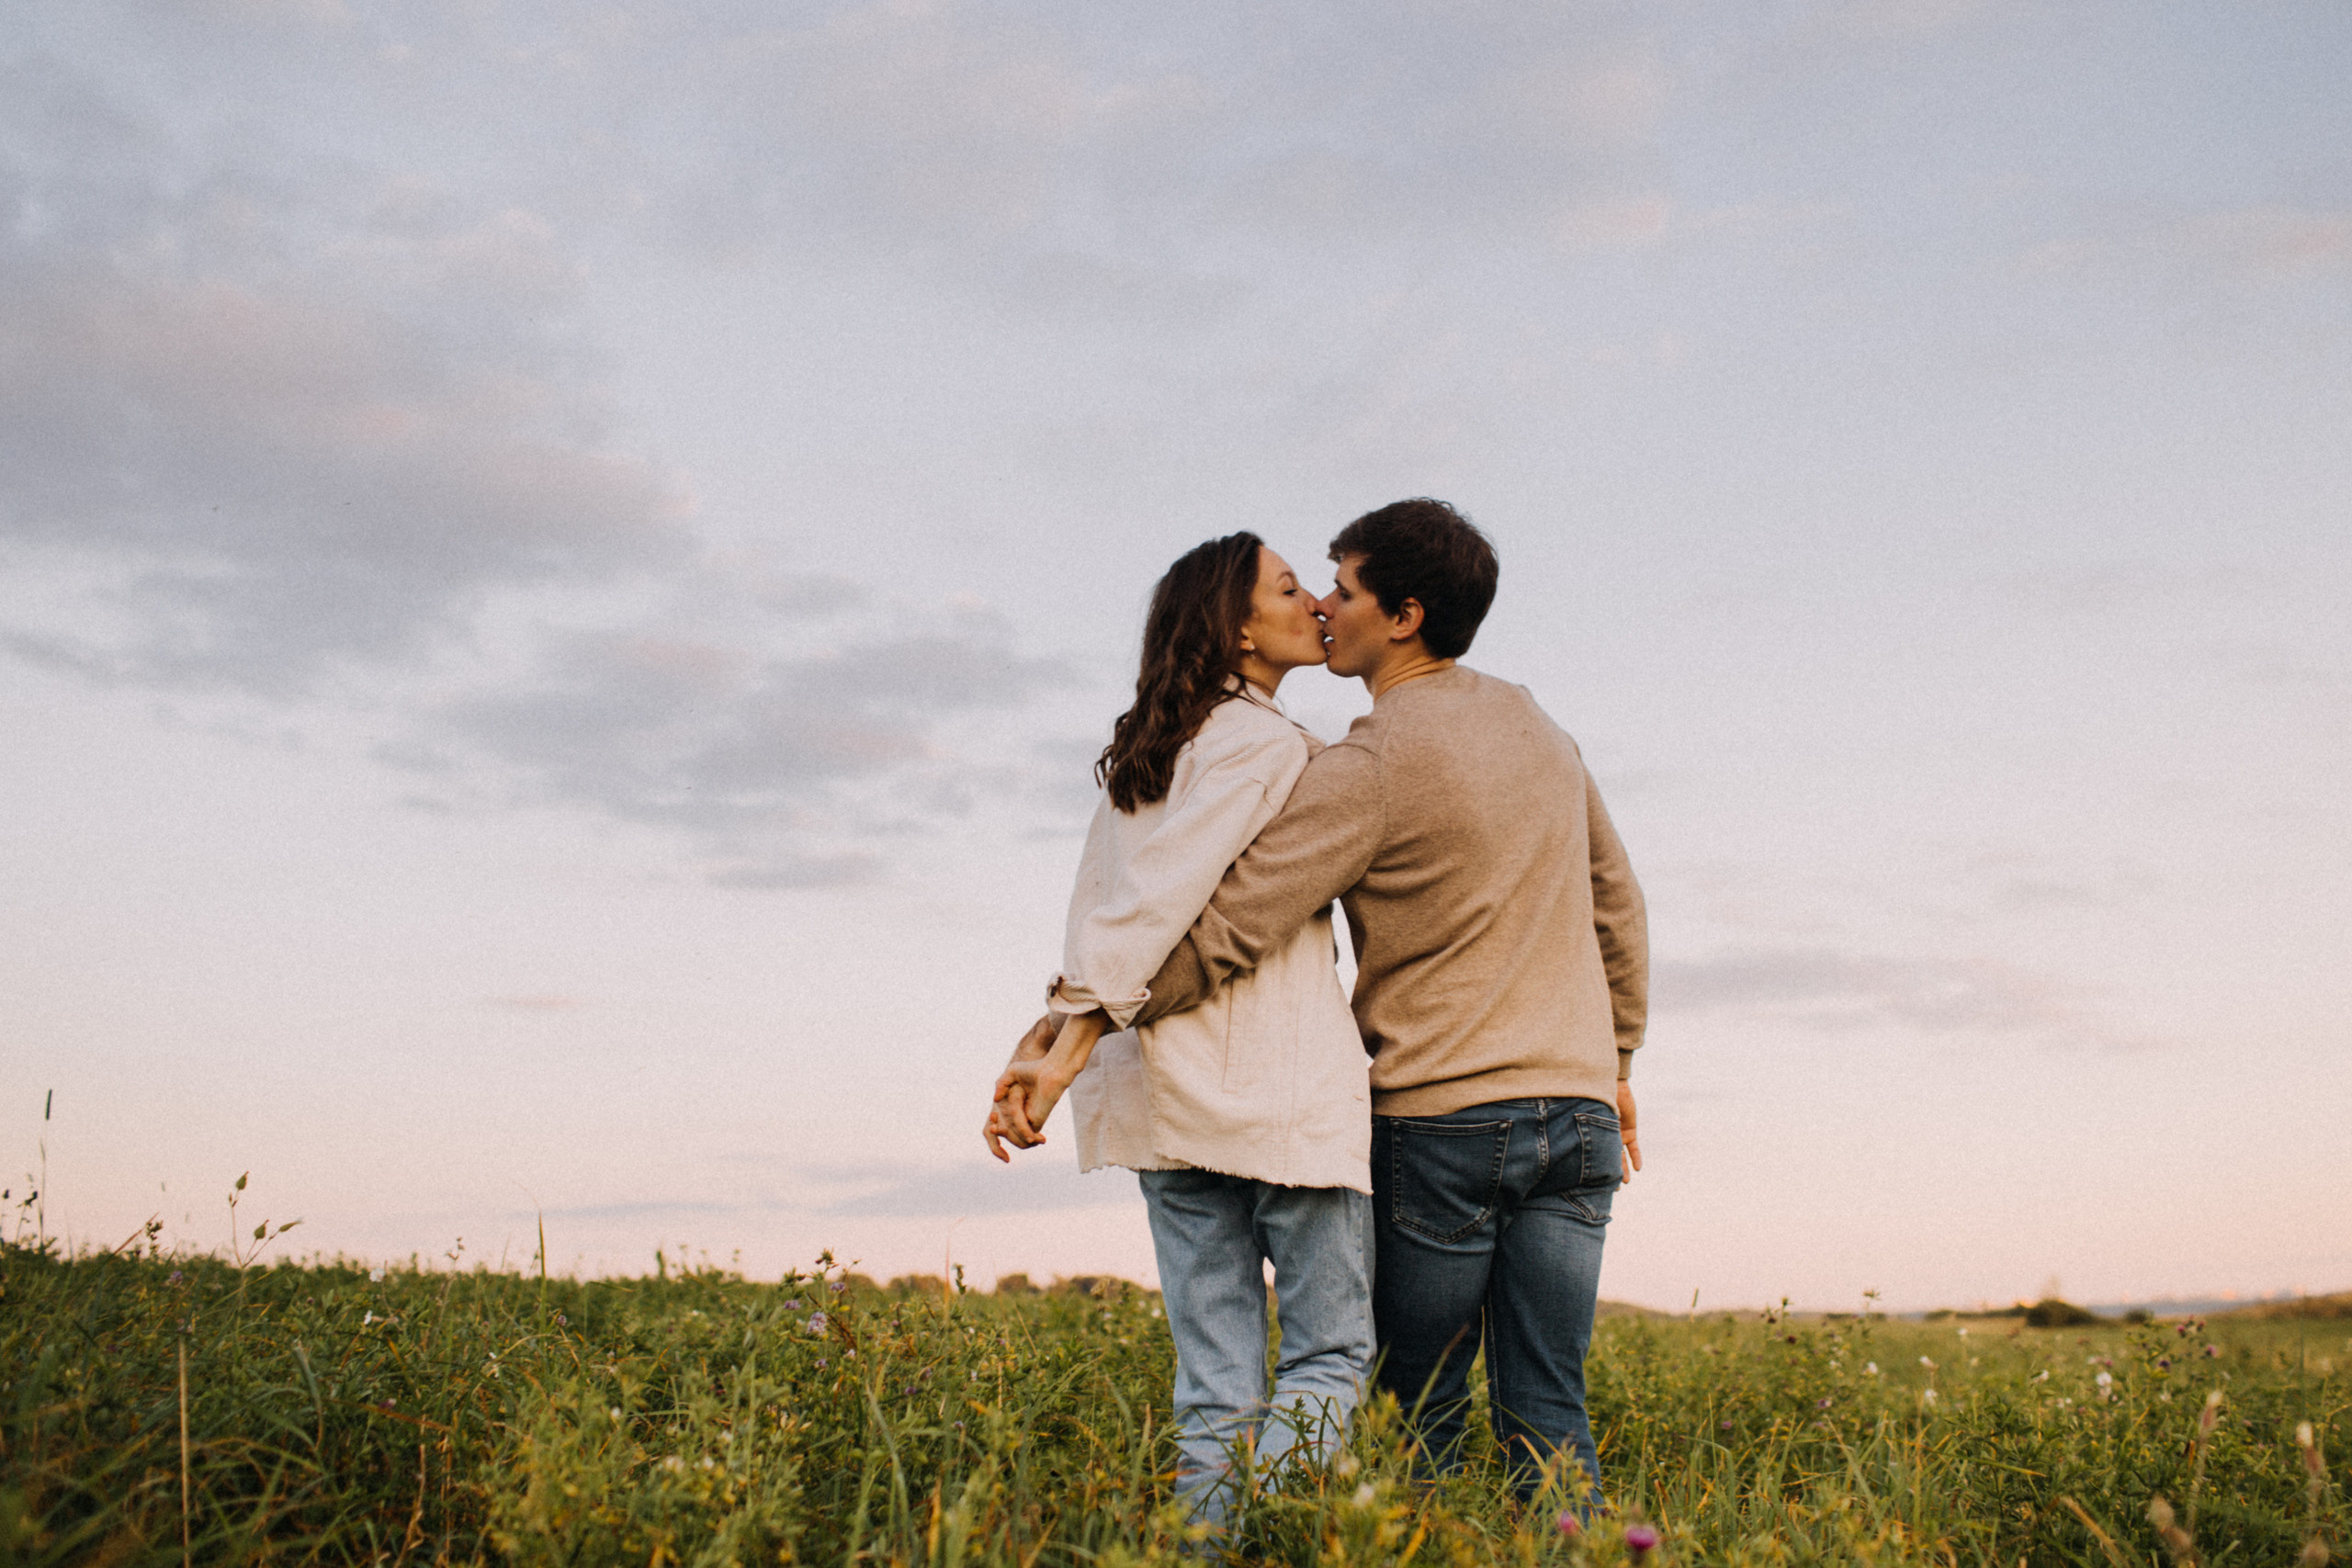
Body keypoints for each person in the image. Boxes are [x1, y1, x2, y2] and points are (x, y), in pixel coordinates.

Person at [1109, 498, 1649, 1511]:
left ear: (1400, 615)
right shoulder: (1539, 726)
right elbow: (1616, 905)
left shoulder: (1367, 765)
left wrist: (1100, 1014)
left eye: (1342, 587)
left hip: (1442, 1127)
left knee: (1420, 1409)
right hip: (1577, 1122)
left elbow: (1234, 923)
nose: (1324, 604)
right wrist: (1615, 1066)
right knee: (1549, 1410)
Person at [984, 531, 1374, 1534]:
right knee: (1330, 1353)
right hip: (1272, 1092)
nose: (1314, 606)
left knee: (1215, 1375)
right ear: (1238, 629)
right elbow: (1160, 906)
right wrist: (1063, 1047)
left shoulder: (1151, 753)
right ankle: (1258, 1539)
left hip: (1164, 1097)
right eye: (1290, 591)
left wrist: (1054, 1034)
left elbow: (1101, 919)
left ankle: (1206, 1548)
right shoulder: (1268, 747)